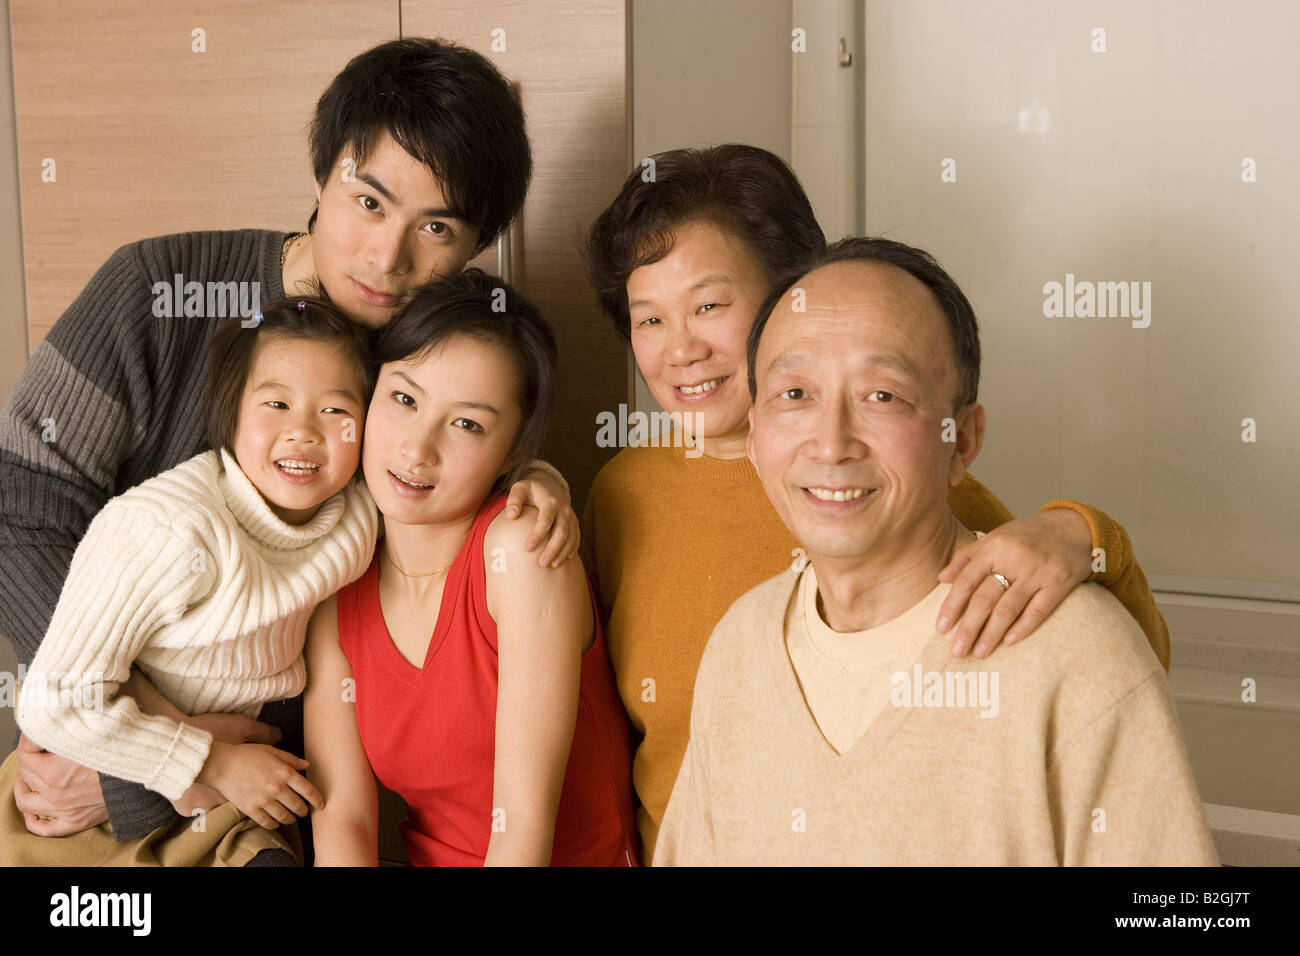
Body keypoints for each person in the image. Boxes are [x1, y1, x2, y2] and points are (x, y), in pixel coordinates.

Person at [0, 37, 577, 846]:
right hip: (89, 731)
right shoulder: (156, 291)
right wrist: (162, 746)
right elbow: (18, 503)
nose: (387, 257)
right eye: (369, 201)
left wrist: (538, 477)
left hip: (279, 784)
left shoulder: (416, 361)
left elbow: (464, 451)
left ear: (474, 247)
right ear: (320, 174)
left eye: (436, 227)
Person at [581, 145, 1171, 862]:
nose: (681, 351)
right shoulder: (623, 498)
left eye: (708, 306)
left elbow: (1096, 677)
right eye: (649, 319)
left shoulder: (902, 487)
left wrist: (1085, 533)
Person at [6, 297, 378, 865]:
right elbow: (54, 704)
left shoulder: (354, 516)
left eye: (334, 410)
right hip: (89, 775)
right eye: (275, 403)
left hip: (227, 801)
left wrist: (539, 481)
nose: (303, 431)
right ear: (230, 415)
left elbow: (449, 474)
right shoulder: (171, 527)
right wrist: (213, 762)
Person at [305, 272, 637, 866]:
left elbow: (523, 830)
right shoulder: (337, 583)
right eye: (404, 400)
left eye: (467, 424)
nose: (417, 450)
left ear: (515, 451)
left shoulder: (521, 554)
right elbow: (345, 819)